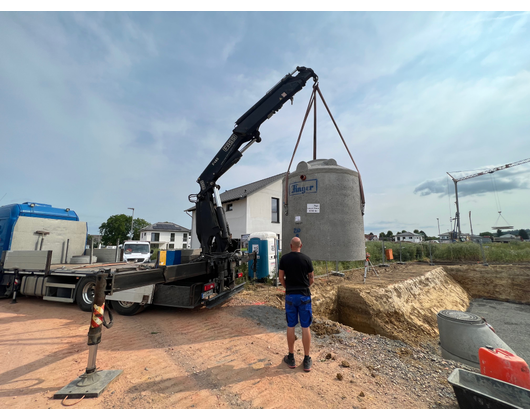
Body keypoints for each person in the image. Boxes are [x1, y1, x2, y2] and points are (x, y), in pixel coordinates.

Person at [278, 236, 314, 372]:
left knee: (291, 325)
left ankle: (291, 357)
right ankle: (306, 359)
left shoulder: (284, 259)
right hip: (304, 296)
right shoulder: (306, 259)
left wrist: (288, 287)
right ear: (301, 245)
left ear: (290, 246)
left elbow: (281, 277)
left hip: (290, 297)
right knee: (306, 327)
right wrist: (304, 286)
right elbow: (312, 279)